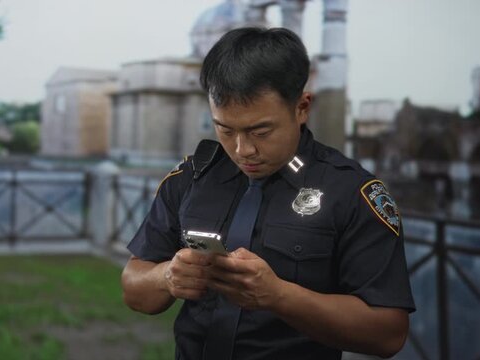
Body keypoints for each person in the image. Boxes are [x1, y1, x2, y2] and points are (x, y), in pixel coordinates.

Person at [121, 27, 415, 360]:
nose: (242, 149)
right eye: (225, 129)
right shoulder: (191, 178)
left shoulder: (351, 193)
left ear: (302, 107)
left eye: (260, 131)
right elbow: (134, 286)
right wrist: (167, 277)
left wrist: (279, 297)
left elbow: (389, 334)